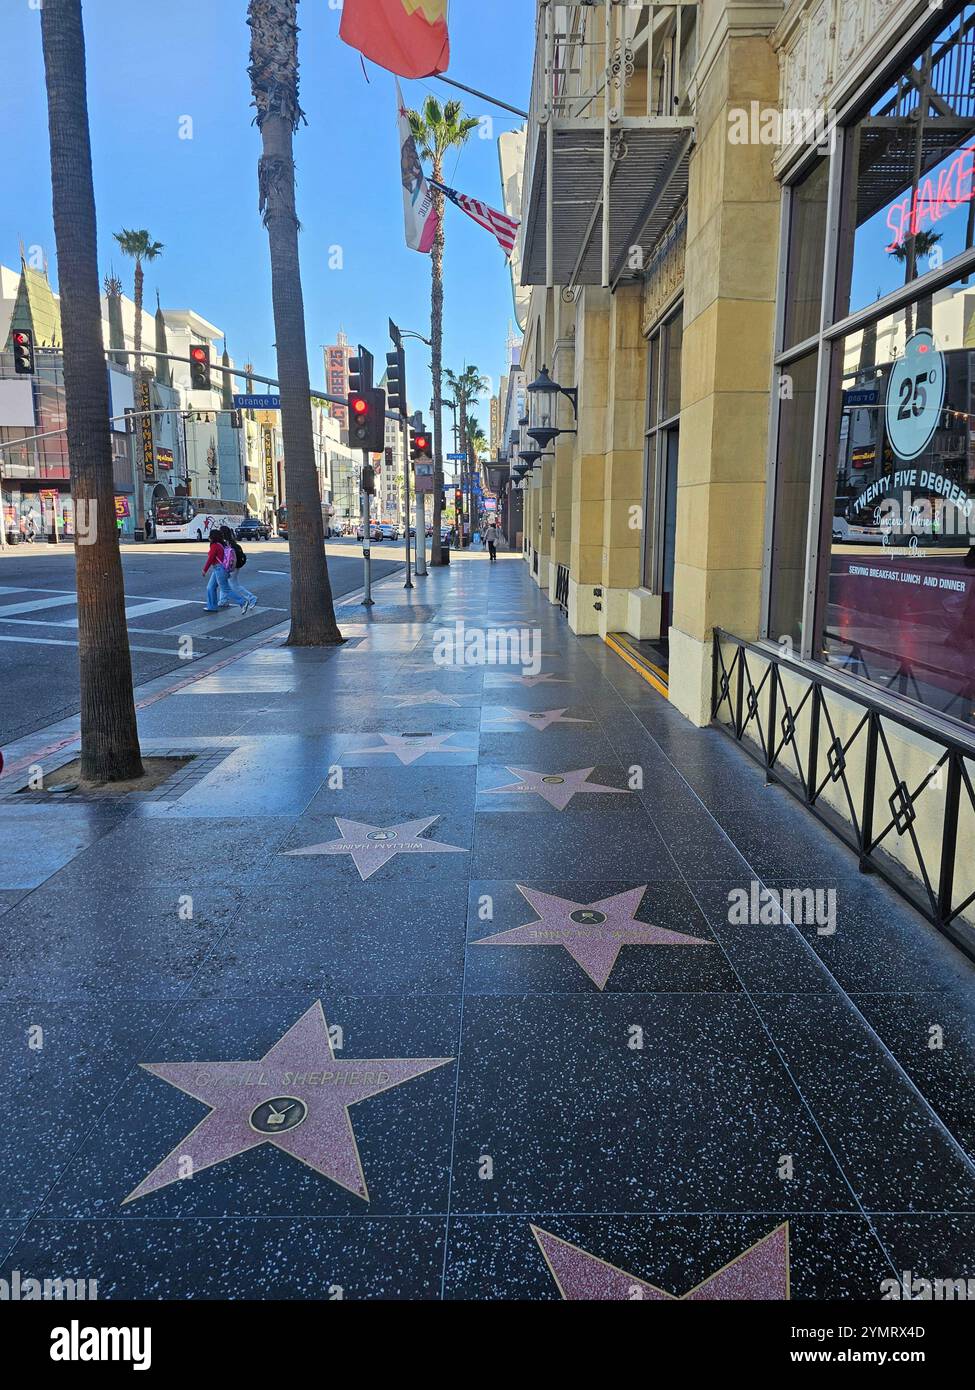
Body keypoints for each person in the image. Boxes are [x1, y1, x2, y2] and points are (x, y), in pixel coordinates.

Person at [222, 528, 257, 614]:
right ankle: (223, 600)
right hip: (235, 566)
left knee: (234, 585)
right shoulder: (232, 542)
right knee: (224, 583)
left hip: (230, 567)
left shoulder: (226, 543)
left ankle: (251, 598)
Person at [202, 527, 231, 612]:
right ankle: (212, 606)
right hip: (218, 568)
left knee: (225, 589)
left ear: (213, 537)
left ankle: (242, 601)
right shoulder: (221, 544)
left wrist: (204, 570)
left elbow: (210, 559)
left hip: (218, 568)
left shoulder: (215, 546)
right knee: (210, 587)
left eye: (210, 536)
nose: (208, 537)